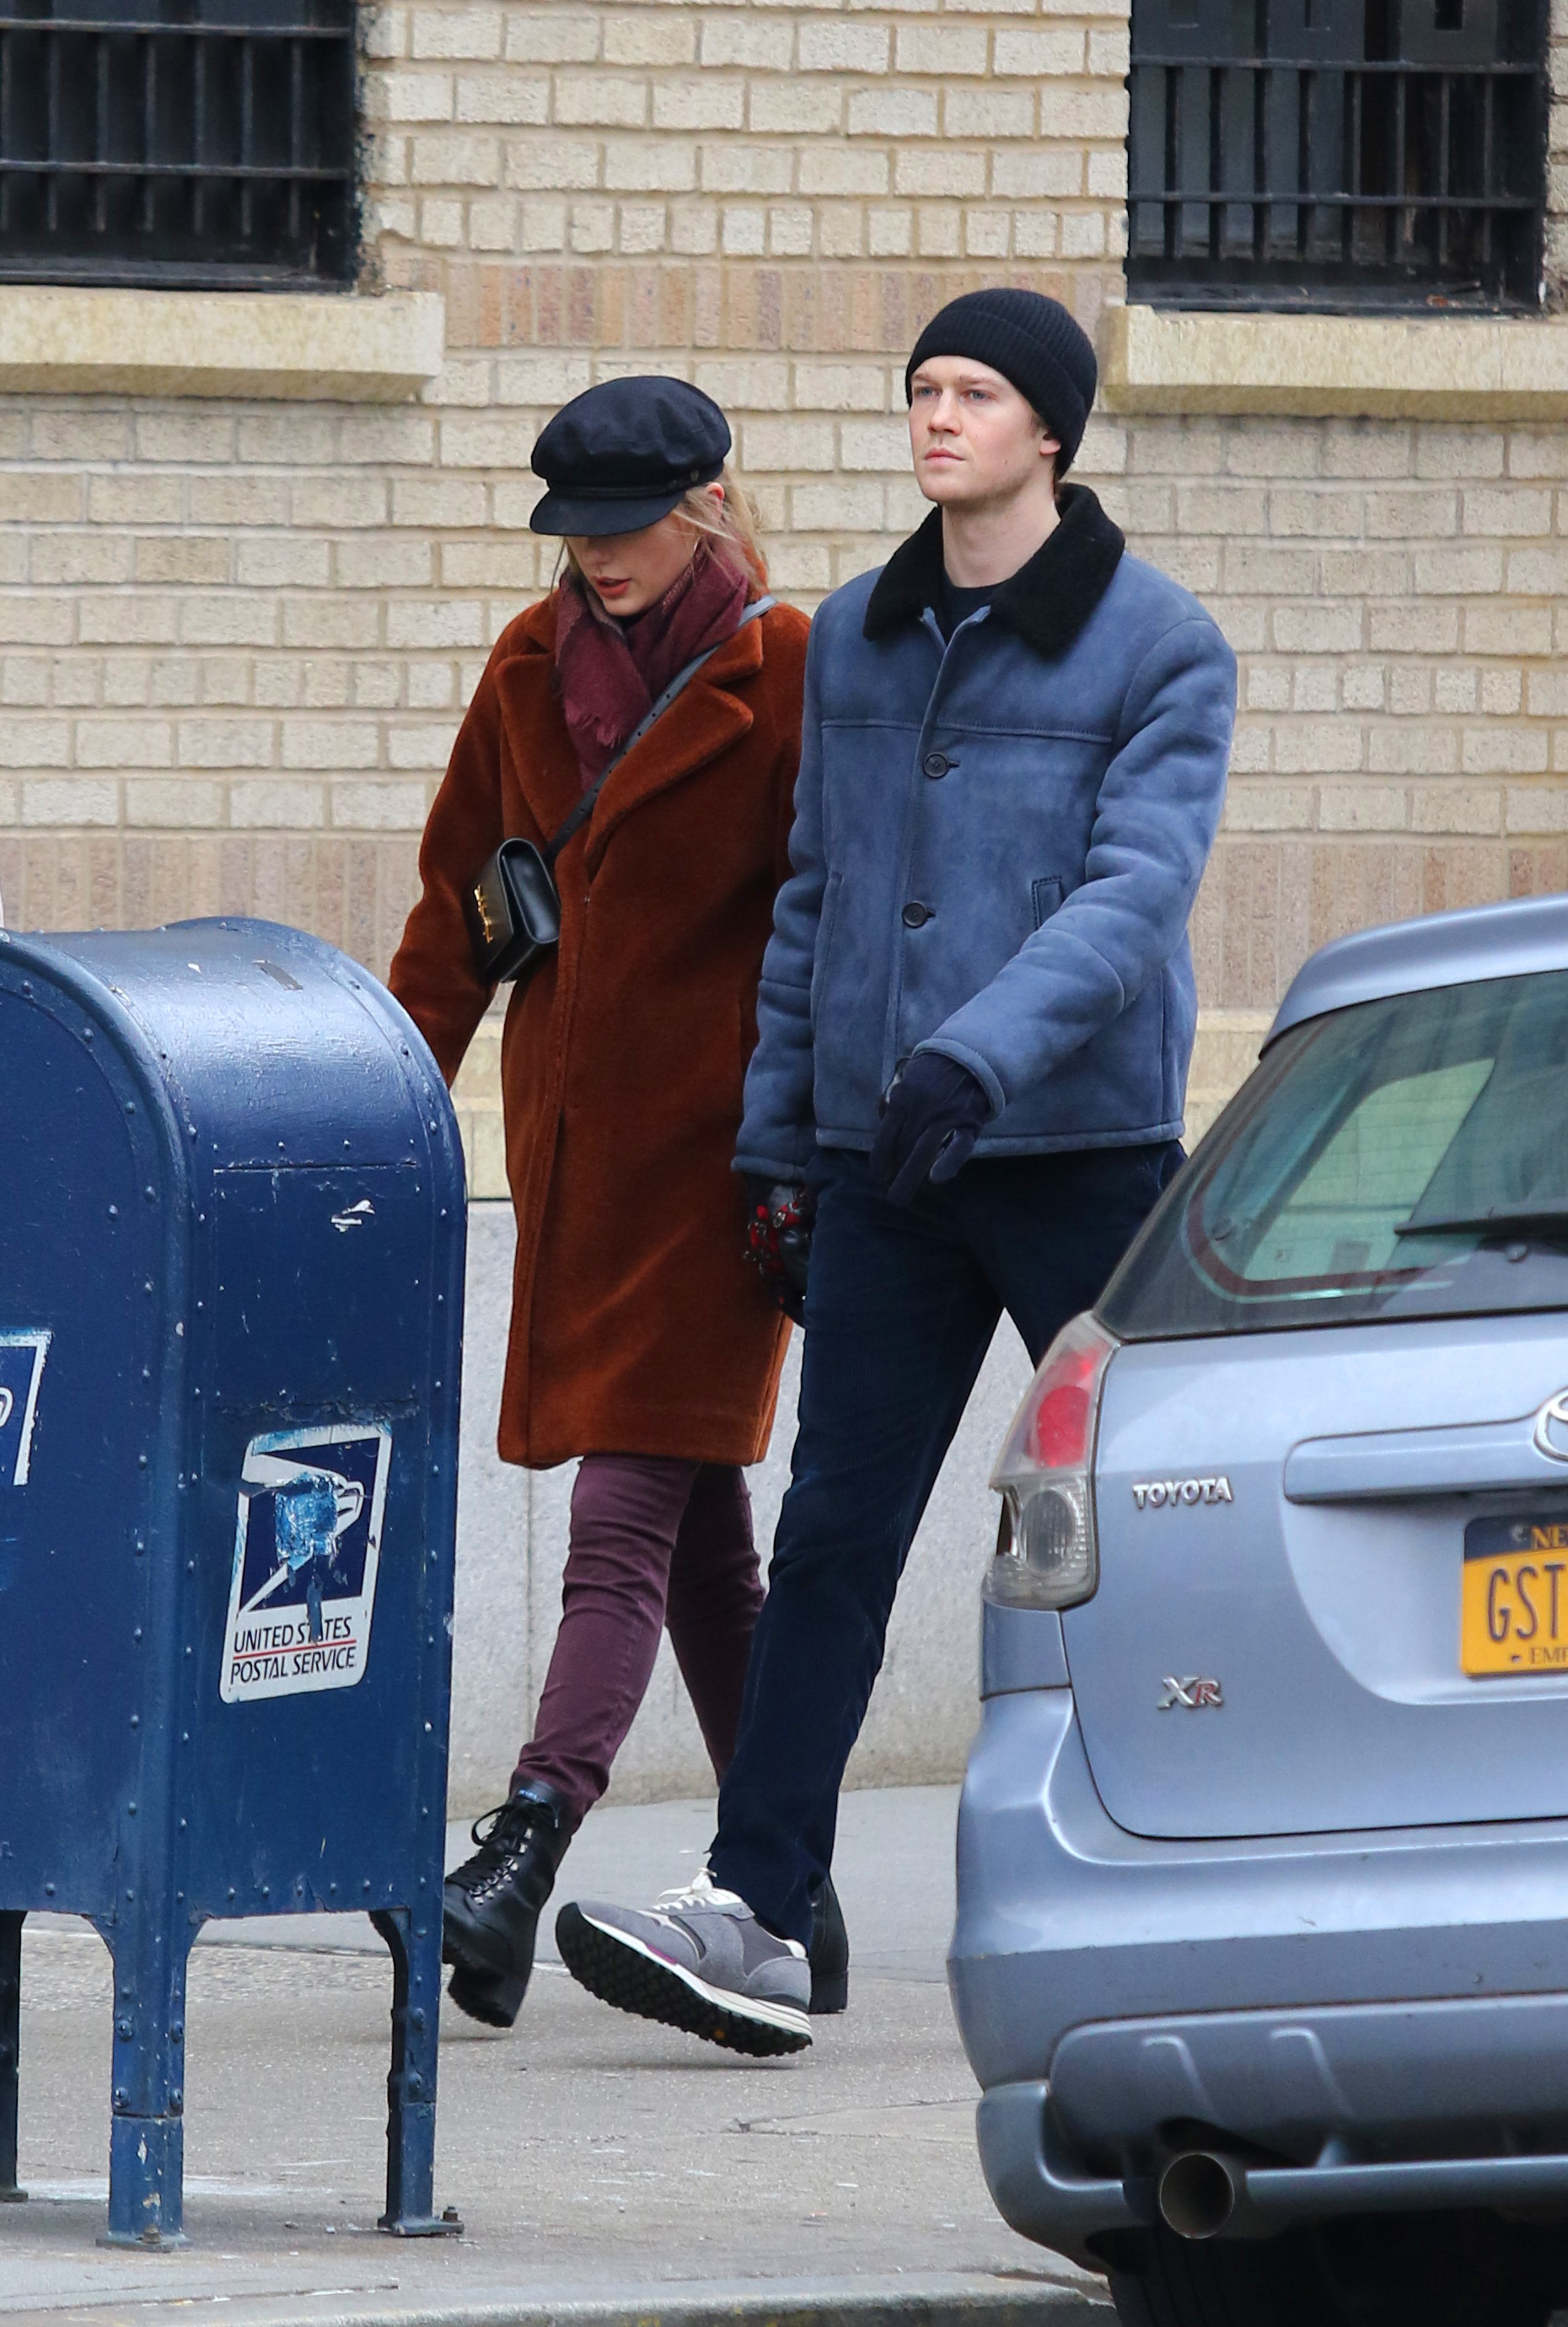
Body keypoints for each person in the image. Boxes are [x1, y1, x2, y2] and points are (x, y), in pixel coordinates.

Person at [552, 290, 1238, 2056]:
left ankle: (1213, 1885)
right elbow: (815, 904)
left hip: (1075, 1158)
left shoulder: (1158, 649)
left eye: (978, 393)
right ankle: (758, 1914)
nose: (940, 418)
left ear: (1052, 432)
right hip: (881, 1165)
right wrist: (785, 1142)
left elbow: (1131, 899)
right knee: (836, 1534)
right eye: (924, 389)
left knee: (1149, 1540)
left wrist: (975, 1055)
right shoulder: (851, 636)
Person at [387, 374, 847, 2033]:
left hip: (729, 1176)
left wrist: (814, 1145)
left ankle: (521, 1844)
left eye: (625, 530)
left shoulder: (787, 671)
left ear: (705, 503)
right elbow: (455, 906)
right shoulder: (526, 664)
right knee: (710, 1551)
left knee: (622, 1516)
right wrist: (384, 1102)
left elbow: (839, 928)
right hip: (577, 1164)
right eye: (574, 536)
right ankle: (787, 1884)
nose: (598, 563)